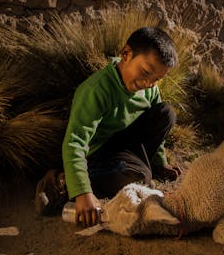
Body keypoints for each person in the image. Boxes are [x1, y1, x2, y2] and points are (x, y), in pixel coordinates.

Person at [35, 27, 181, 227]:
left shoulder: (150, 89)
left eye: (156, 78)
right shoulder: (96, 90)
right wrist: (83, 193)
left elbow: (155, 126)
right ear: (126, 54)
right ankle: (62, 183)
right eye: (146, 72)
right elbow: (74, 143)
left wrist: (160, 161)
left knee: (166, 113)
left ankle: (138, 168)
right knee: (139, 177)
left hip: (123, 145)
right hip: (97, 155)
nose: (149, 83)